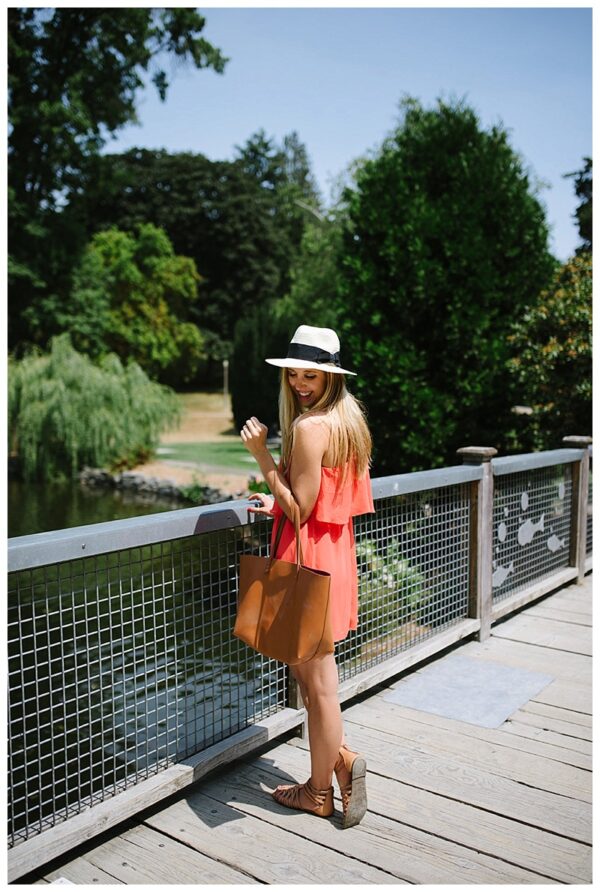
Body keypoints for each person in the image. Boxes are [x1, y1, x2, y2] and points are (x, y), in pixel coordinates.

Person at [239, 324, 374, 829]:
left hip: (309, 557)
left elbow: (301, 506)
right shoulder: (348, 421)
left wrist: (260, 456)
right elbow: (314, 499)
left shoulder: (311, 428)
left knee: (318, 686)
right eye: (293, 374)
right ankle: (337, 762)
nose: (299, 383)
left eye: (309, 376)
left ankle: (319, 792)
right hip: (334, 554)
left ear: (329, 377)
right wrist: (272, 497)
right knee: (314, 674)